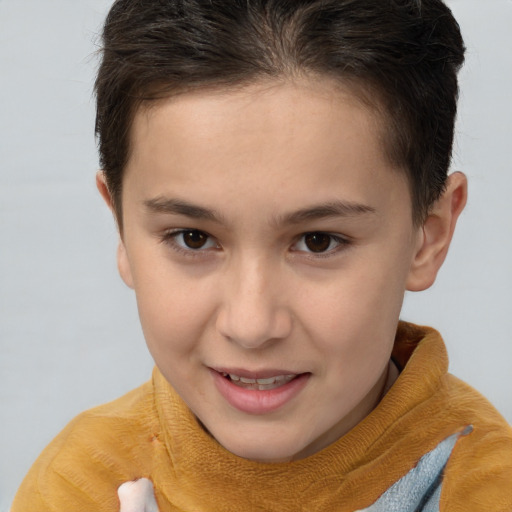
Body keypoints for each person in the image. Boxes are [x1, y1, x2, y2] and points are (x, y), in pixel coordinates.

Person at [11, 0, 512, 510]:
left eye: (318, 241)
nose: (251, 325)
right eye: (193, 238)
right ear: (121, 227)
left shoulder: (490, 489)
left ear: (428, 237)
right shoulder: (78, 485)